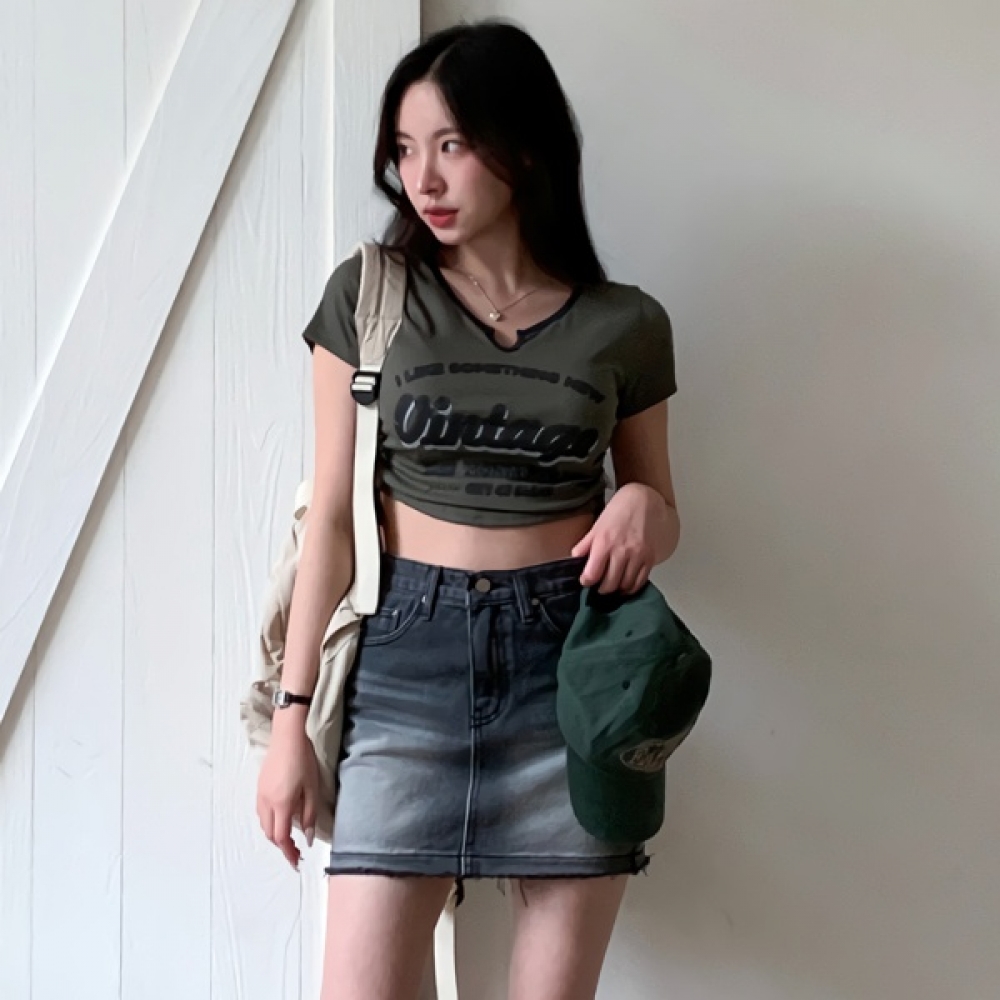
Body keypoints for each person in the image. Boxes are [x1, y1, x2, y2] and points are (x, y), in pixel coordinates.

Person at [256, 19, 680, 1000]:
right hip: (404, 666)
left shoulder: (625, 324)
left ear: (522, 146)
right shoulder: (371, 297)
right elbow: (330, 521)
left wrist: (638, 508)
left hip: (567, 673)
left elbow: (662, 507)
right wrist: (289, 722)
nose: (424, 179)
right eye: (405, 151)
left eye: (450, 144)